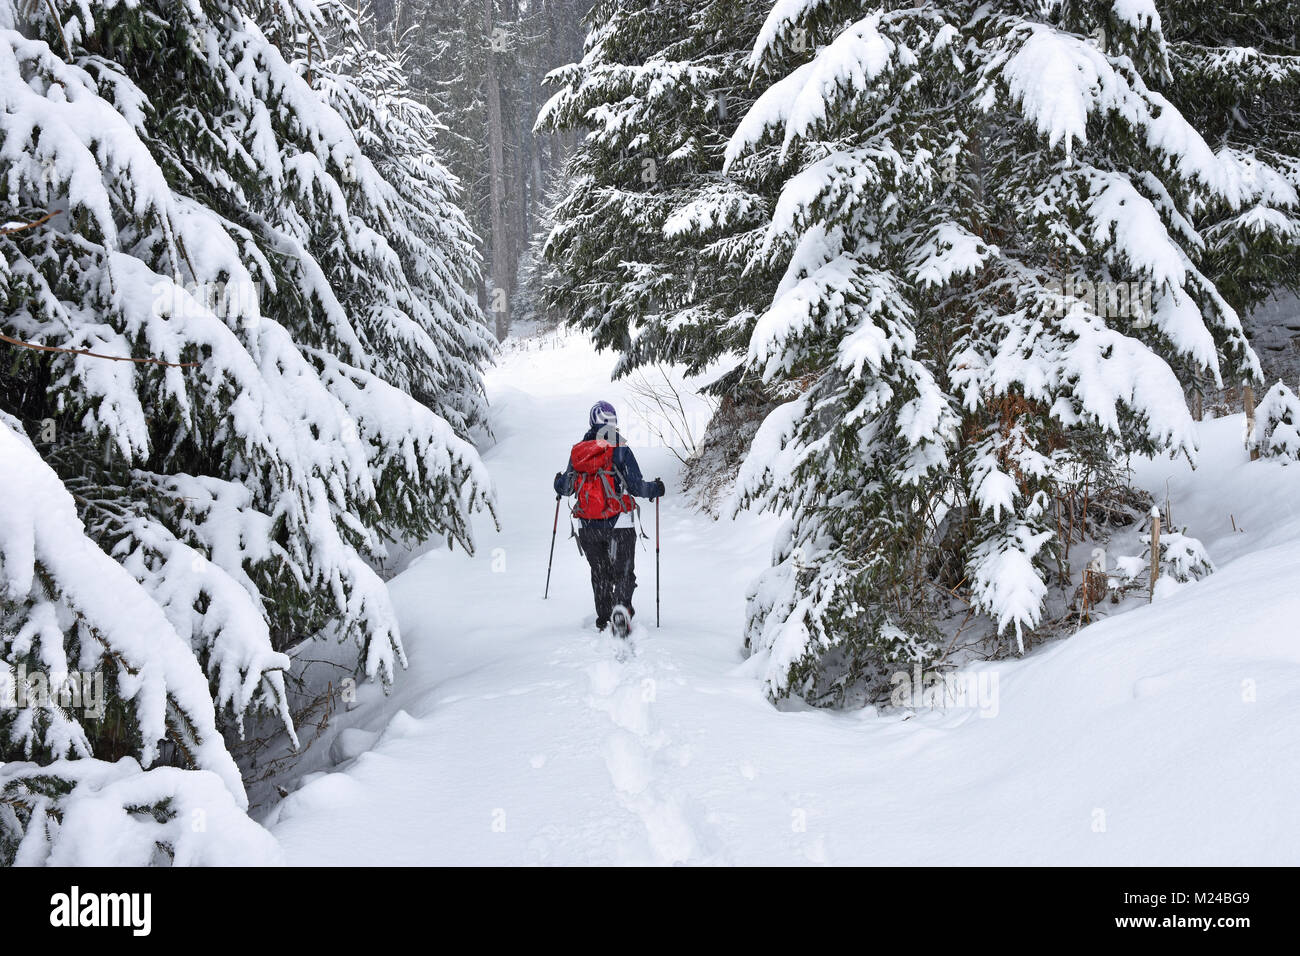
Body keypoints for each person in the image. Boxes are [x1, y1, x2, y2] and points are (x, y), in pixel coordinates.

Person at [554, 401, 665, 632]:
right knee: (623, 571)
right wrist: (656, 488)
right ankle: (621, 610)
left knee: (600, 571)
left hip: (587, 526)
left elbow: (566, 488)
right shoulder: (620, 448)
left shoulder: (580, 452)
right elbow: (636, 487)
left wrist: (557, 482)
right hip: (619, 523)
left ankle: (604, 617)